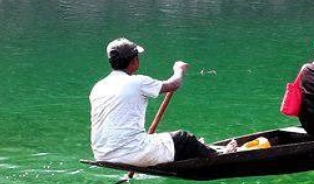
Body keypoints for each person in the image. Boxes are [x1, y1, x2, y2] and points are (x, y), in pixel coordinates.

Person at [89, 37, 228, 166]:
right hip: (131, 153)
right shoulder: (137, 82)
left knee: (177, 144)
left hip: (102, 154)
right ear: (134, 61)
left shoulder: (98, 86)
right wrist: (178, 70)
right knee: (184, 139)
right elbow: (174, 85)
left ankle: (192, 151)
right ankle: (221, 156)